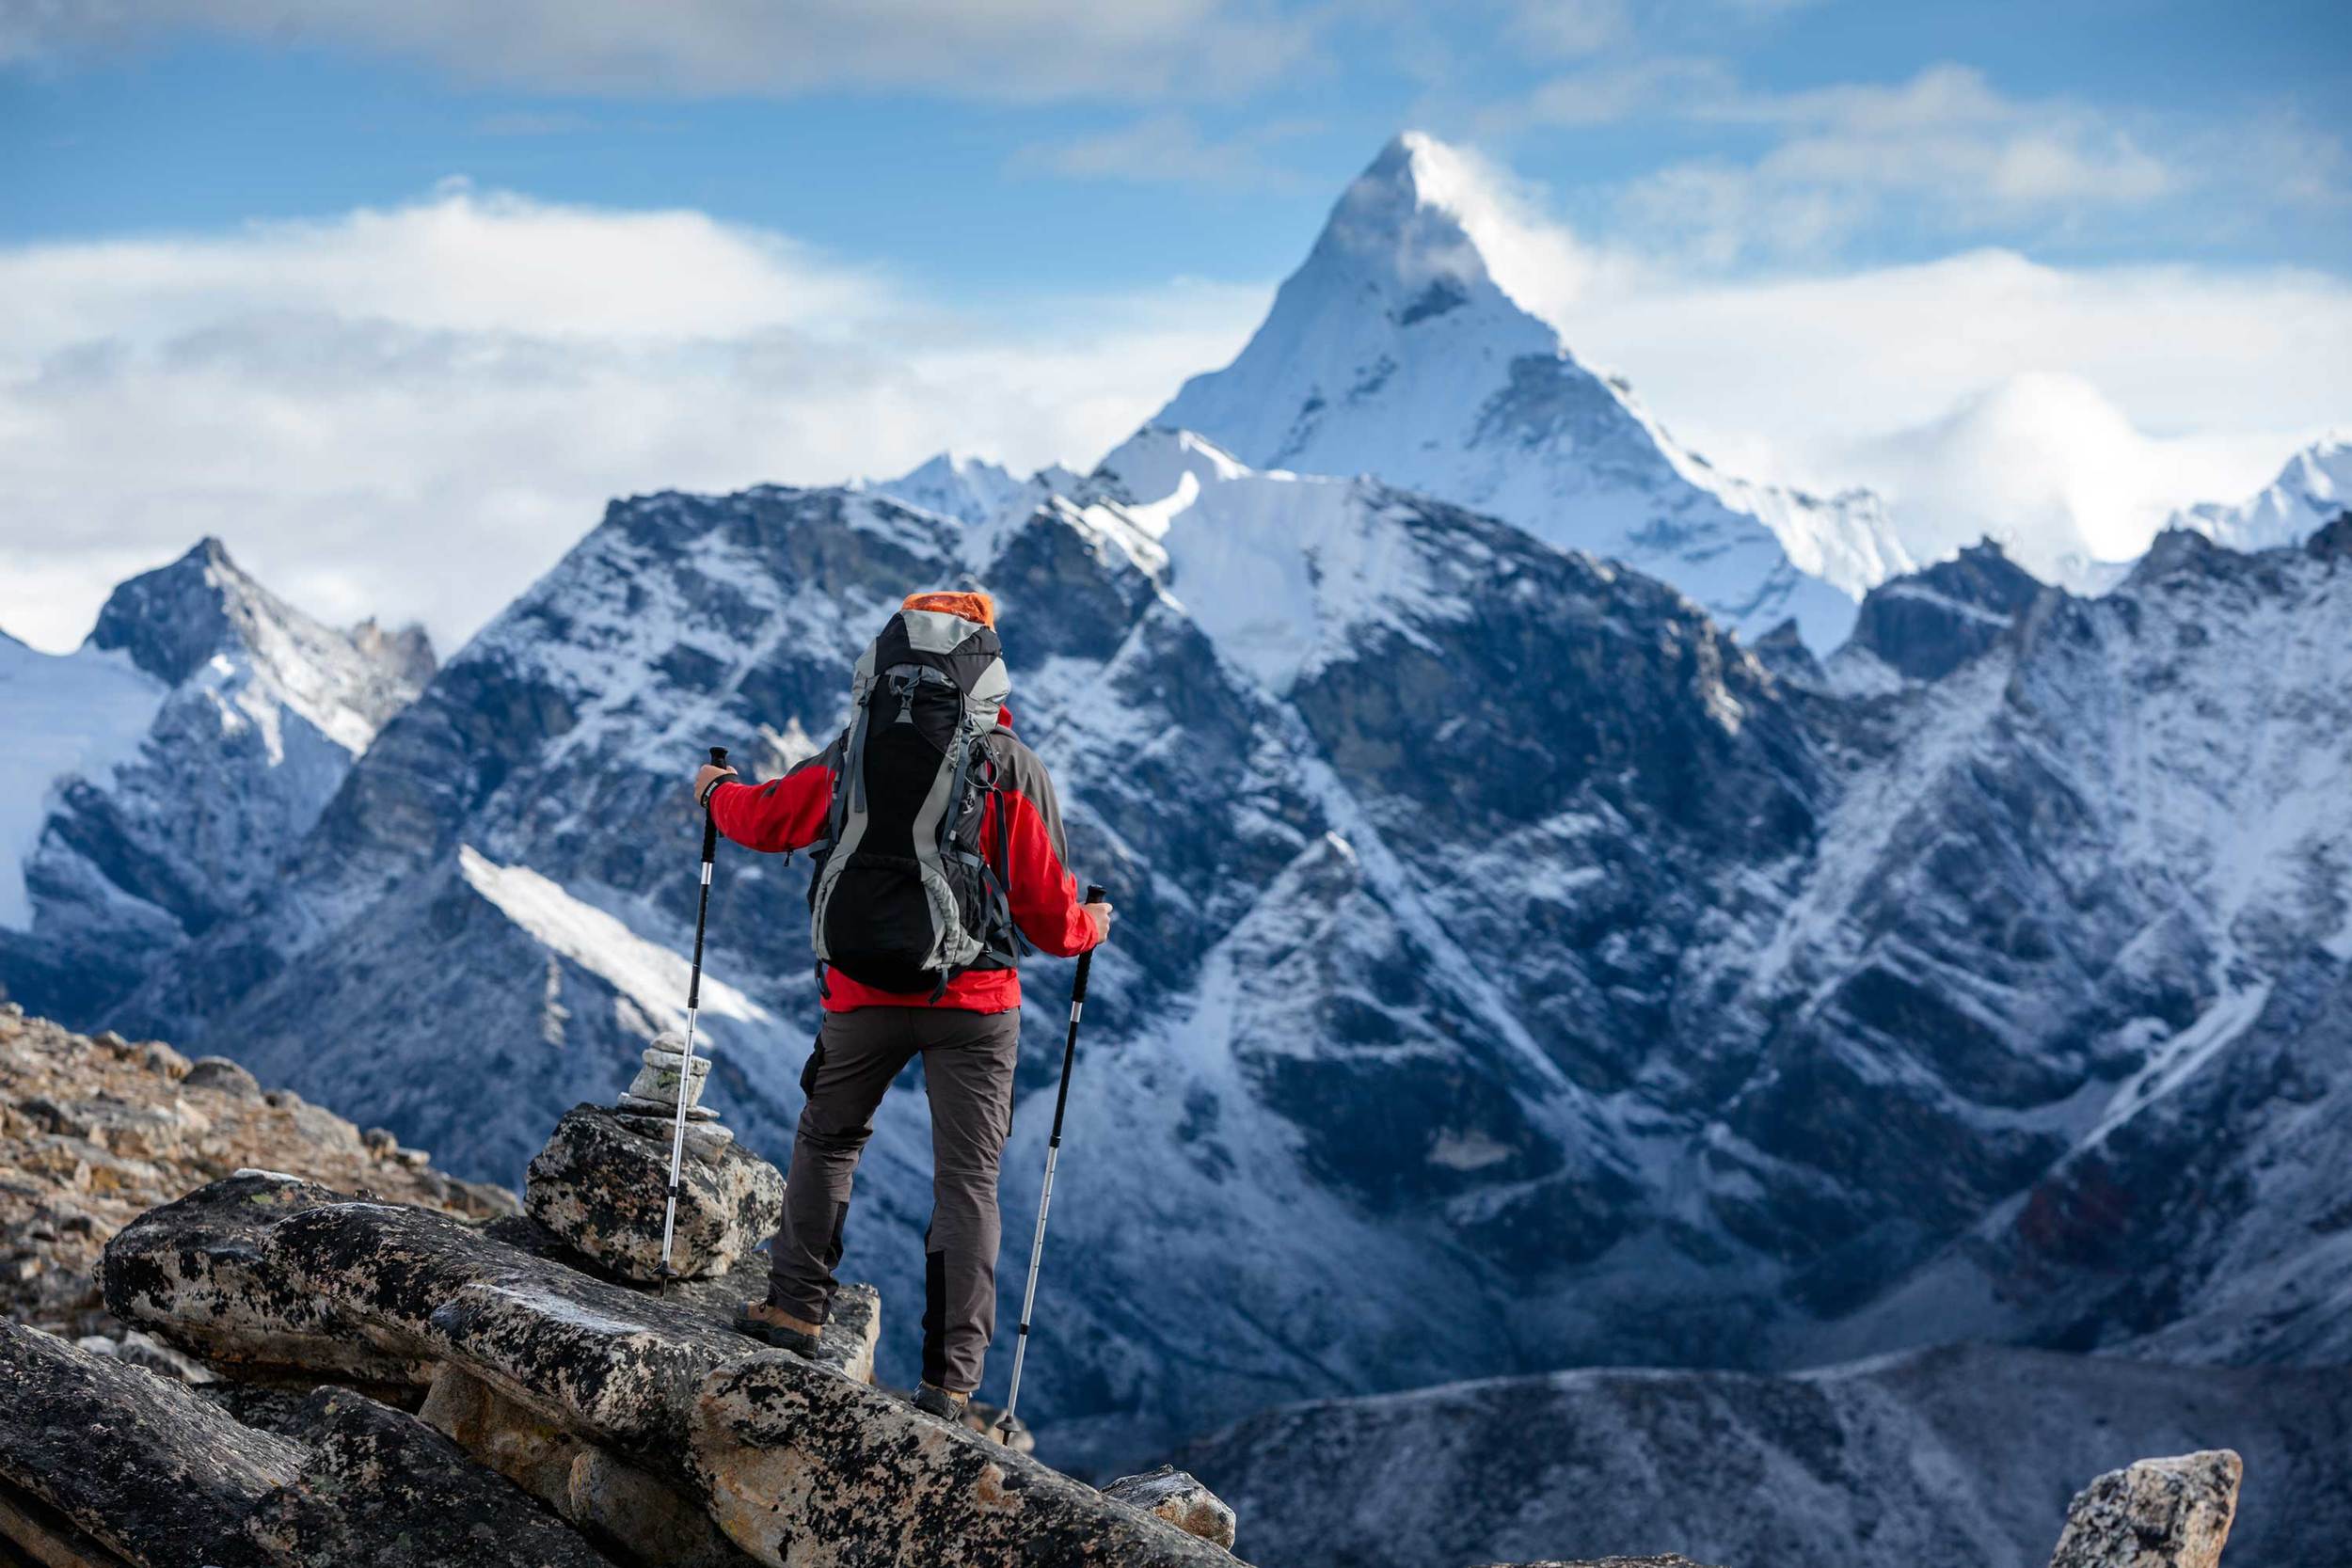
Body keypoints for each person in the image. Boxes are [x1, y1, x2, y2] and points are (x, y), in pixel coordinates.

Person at [691, 589, 1111, 1424]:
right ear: (985, 669)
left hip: (861, 992)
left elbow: (770, 819)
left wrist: (713, 791)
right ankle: (949, 1383)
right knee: (967, 1182)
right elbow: (1049, 919)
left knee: (829, 1138)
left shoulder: (853, 751)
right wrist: (1090, 921)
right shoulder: (1007, 765)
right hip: (978, 1005)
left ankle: (793, 1309)